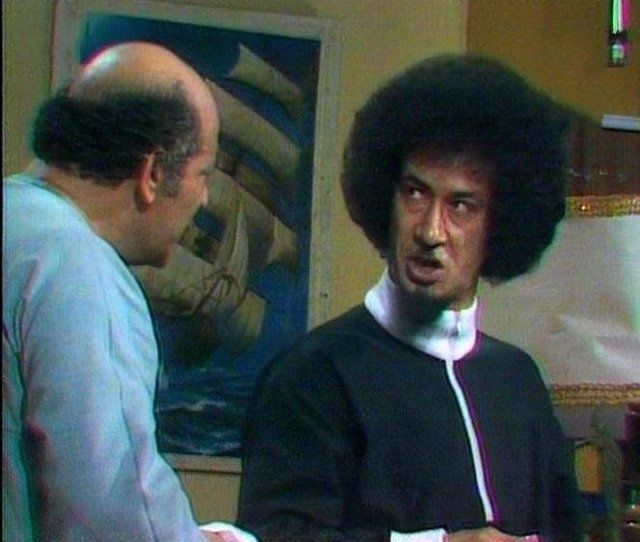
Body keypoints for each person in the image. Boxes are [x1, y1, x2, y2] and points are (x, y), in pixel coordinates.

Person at [236, 54, 584, 541]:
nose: (431, 231)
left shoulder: (518, 382)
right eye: (416, 194)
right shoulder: (314, 375)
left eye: (460, 205)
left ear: (499, 223)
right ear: (386, 198)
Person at [3, 42, 254, 542]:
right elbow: (114, 512)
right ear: (153, 173)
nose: (205, 198)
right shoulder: (81, 272)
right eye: (203, 174)